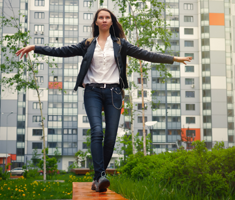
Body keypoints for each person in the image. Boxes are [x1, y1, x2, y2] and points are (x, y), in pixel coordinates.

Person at [16, 8, 192, 192]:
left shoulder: (120, 44)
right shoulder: (87, 44)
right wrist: (35, 48)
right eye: (101, 17)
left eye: (107, 17)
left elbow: (145, 54)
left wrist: (173, 59)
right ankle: (101, 175)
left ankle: (97, 179)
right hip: (92, 91)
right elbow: (61, 51)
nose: (104, 20)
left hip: (114, 93)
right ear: (96, 22)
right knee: (97, 130)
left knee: (110, 138)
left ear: (111, 21)